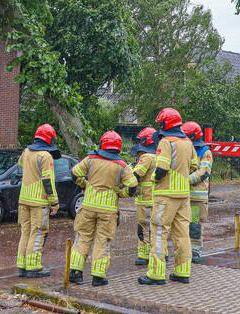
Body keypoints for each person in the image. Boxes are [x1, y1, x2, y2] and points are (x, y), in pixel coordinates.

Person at [68, 131, 138, 286]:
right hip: (108, 210)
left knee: (83, 238)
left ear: (102, 144)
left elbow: (74, 173)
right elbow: (133, 185)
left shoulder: (91, 159)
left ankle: (75, 273)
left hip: (88, 207)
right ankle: (98, 277)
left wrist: (84, 184)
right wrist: (121, 193)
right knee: (103, 242)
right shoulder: (122, 166)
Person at [139, 107, 198, 286]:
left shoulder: (166, 142)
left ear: (165, 124)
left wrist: (156, 179)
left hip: (165, 195)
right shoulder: (188, 142)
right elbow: (194, 166)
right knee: (182, 234)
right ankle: (182, 272)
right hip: (183, 195)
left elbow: (162, 168)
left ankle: (156, 274)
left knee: (159, 232)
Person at [16, 123, 60, 278]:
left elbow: (21, 164)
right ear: (49, 139)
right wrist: (54, 202)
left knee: (25, 233)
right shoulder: (45, 156)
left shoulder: (26, 151)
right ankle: (34, 267)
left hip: (23, 199)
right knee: (38, 233)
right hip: (39, 202)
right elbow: (48, 181)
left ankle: (22, 266)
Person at [182, 121, 212, 263]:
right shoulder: (186, 148)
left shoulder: (205, 151)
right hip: (182, 195)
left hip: (195, 196)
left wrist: (185, 180)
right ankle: (184, 250)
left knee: (194, 226)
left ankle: (194, 251)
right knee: (181, 225)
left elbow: (204, 172)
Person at [129, 126, 158, 265]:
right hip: (155, 199)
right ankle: (159, 253)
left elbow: (136, 175)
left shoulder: (146, 157)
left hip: (145, 199)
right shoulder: (159, 156)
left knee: (143, 227)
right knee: (156, 228)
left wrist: (128, 171)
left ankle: (144, 255)